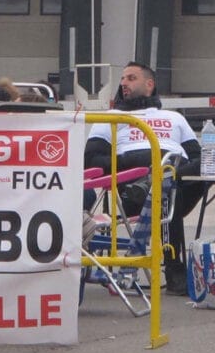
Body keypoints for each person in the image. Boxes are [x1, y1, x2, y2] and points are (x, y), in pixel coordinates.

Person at [83, 62, 201, 292]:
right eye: (123, 78)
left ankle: (158, 179)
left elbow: (200, 157)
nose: (123, 83)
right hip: (133, 181)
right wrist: (133, 162)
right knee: (164, 188)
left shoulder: (174, 117)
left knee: (170, 178)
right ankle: (175, 270)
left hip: (176, 175)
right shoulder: (110, 118)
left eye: (131, 78)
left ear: (149, 84)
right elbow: (91, 160)